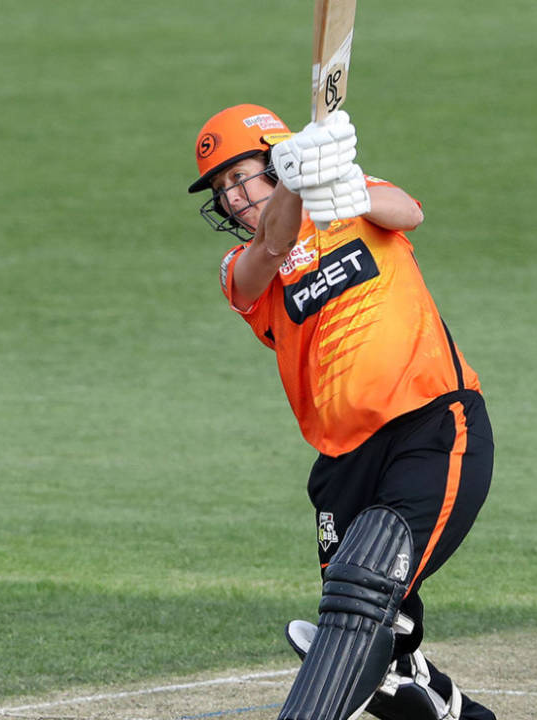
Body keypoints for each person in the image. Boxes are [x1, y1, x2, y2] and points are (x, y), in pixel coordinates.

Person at [188, 103, 497, 719]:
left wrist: (342, 183)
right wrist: (298, 185)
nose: (232, 196)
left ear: (275, 160)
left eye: (240, 175)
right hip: (341, 461)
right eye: (222, 190)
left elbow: (410, 211)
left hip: (431, 423)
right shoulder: (242, 270)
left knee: (364, 590)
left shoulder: (352, 209)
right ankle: (431, 690)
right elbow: (272, 245)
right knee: (371, 642)